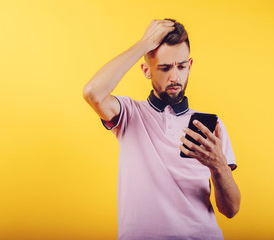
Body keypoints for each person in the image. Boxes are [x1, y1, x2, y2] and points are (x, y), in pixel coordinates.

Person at [83, 19, 241, 240]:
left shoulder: (212, 127)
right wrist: (145, 43)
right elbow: (93, 92)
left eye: (181, 66)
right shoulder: (129, 114)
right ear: (146, 70)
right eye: (165, 68)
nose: (175, 77)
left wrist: (219, 166)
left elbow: (231, 210)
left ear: (190, 65)